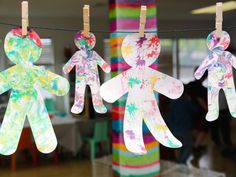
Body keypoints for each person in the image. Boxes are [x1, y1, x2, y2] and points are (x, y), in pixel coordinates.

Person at [168, 84, 196, 164]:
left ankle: (180, 163)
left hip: (174, 129)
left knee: (181, 147)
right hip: (185, 129)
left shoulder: (172, 102)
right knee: (188, 147)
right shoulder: (186, 102)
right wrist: (190, 100)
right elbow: (195, 111)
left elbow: (170, 116)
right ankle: (181, 163)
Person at [187, 68, 208, 159]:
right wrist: (209, 110)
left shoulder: (189, 85)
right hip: (199, 113)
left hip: (189, 113)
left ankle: (195, 145)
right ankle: (195, 147)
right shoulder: (200, 87)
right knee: (203, 130)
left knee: (196, 130)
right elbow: (200, 100)